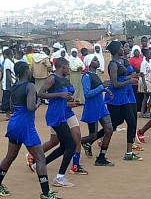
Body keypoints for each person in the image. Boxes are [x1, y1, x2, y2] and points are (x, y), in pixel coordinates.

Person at [0, 62, 58, 198]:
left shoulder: (14, 86)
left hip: (14, 124)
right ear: (26, 71)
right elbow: (31, 107)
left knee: (10, 157)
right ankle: (45, 193)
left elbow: (12, 107)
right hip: (25, 125)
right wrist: (38, 102)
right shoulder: (30, 86)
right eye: (30, 70)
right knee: (40, 157)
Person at [38, 57, 76, 187]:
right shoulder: (52, 78)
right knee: (71, 145)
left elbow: (63, 95)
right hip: (55, 115)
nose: (69, 69)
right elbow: (40, 93)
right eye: (68, 67)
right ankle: (59, 177)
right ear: (63, 67)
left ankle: (40, 162)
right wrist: (59, 95)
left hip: (62, 114)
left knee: (64, 145)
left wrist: (68, 98)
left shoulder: (63, 80)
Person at [105, 41, 143, 161]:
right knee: (114, 124)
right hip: (115, 98)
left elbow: (124, 77)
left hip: (124, 97)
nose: (123, 49)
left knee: (131, 122)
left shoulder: (122, 61)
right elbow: (115, 84)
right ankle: (92, 139)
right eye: (121, 47)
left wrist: (129, 78)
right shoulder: (113, 64)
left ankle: (129, 152)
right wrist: (129, 81)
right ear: (117, 50)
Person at [81, 54, 115, 166]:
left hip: (100, 106)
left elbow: (96, 88)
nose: (98, 61)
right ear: (90, 63)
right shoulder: (86, 76)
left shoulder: (94, 74)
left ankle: (101, 157)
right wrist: (102, 87)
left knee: (109, 129)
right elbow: (87, 94)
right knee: (93, 136)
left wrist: (106, 90)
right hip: (92, 107)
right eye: (95, 60)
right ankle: (73, 143)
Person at [138, 48, 151, 119]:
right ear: (146, 55)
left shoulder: (149, 62)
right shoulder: (144, 63)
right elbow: (142, 74)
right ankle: (147, 111)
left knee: (146, 97)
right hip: (145, 81)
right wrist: (144, 85)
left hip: (148, 81)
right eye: (149, 53)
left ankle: (142, 113)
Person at [1, 49, 16, 120]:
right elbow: (8, 72)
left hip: (10, 82)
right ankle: (8, 115)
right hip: (9, 84)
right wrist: (12, 82)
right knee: (8, 99)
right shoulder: (7, 61)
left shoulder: (10, 61)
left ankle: (10, 114)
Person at [129, 45, 143, 112]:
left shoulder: (142, 58)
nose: (136, 52)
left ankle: (141, 107)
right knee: (135, 94)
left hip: (141, 79)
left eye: (138, 51)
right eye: (135, 51)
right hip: (134, 79)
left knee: (141, 94)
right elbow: (131, 69)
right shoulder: (131, 59)